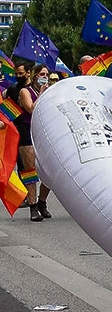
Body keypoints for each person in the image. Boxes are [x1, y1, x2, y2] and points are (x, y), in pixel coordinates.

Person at [11, 63, 51, 221]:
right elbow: (32, 109)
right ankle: (33, 206)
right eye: (42, 74)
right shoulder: (24, 91)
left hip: (44, 132)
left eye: (46, 75)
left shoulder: (50, 90)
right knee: (30, 171)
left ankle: (42, 201)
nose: (44, 78)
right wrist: (41, 94)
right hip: (27, 131)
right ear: (34, 75)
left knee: (50, 171)